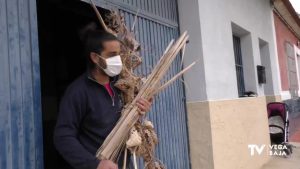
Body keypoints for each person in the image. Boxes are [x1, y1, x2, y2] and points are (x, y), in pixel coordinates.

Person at [53, 29, 152, 169]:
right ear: (95, 57)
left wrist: (141, 110)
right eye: (112, 55)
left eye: (119, 54)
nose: (118, 60)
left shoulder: (122, 86)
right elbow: (63, 137)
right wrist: (95, 164)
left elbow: (128, 123)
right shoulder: (78, 92)